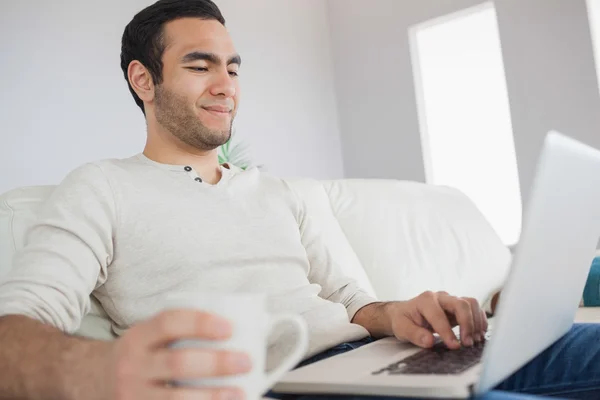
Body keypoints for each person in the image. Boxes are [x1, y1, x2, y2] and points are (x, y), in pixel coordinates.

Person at [0, 1, 598, 399]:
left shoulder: (278, 191)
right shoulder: (101, 186)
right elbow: (13, 333)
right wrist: (101, 371)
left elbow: (352, 302)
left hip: (379, 359)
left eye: (233, 67)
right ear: (143, 80)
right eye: (199, 65)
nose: (225, 86)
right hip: (294, 385)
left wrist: (401, 313)